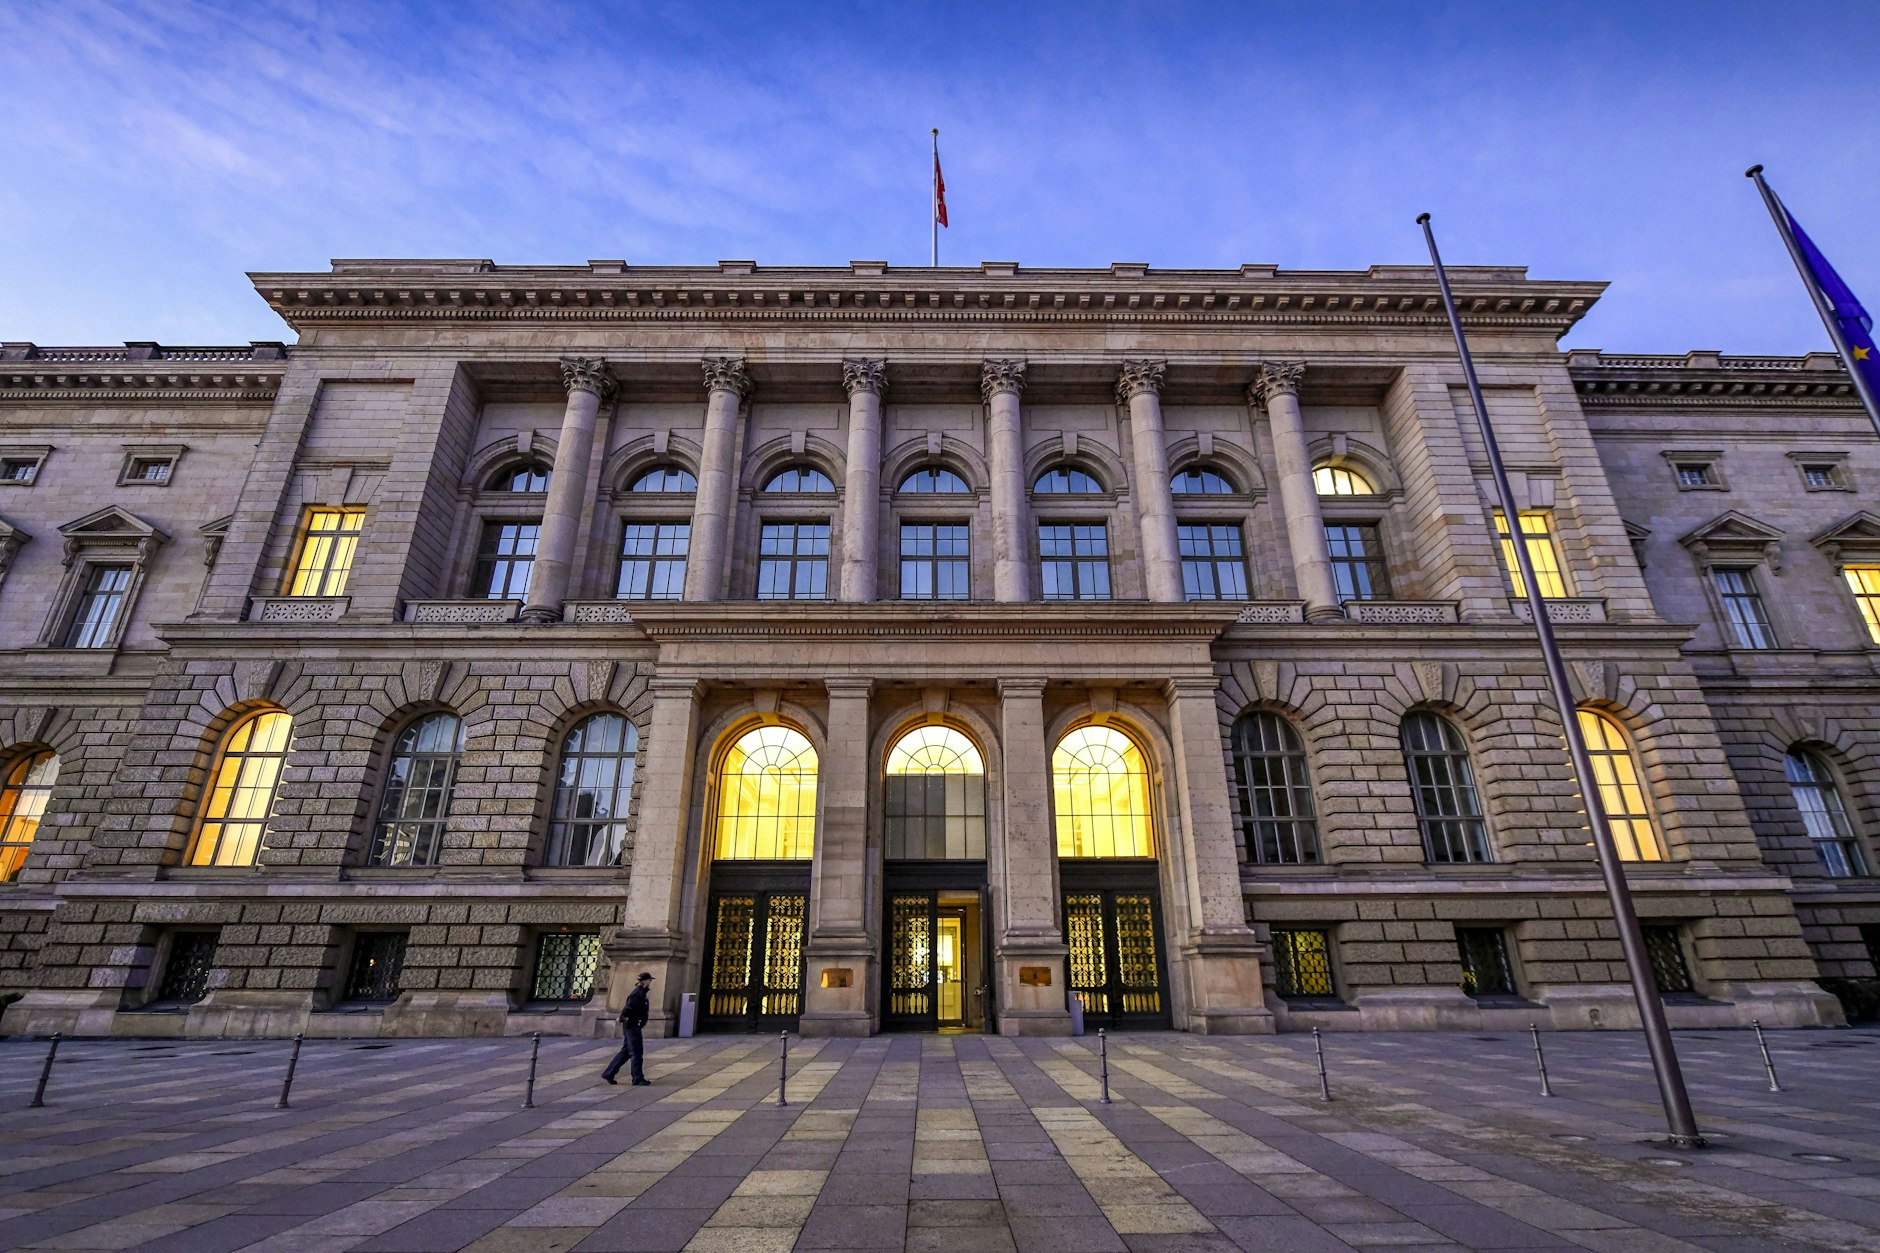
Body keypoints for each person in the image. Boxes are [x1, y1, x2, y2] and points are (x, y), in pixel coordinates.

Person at [602, 971, 653, 1086]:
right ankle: (637, 1078)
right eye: (649, 980)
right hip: (632, 1026)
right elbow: (628, 1008)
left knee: (626, 1052)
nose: (650, 982)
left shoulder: (641, 993)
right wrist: (623, 1018)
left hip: (633, 1025)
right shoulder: (637, 994)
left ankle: (609, 1073)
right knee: (636, 1052)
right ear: (645, 981)